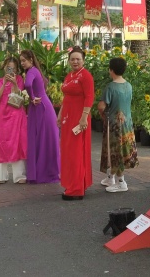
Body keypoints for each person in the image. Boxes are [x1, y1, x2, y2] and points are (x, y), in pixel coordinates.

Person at [58, 47, 94, 201]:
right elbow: (66, 98)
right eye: (72, 59)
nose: (75, 61)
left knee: (76, 152)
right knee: (68, 151)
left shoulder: (86, 76)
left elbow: (89, 97)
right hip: (68, 117)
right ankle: (76, 183)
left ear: (83, 60)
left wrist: (84, 117)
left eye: (78, 59)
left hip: (79, 119)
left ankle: (76, 189)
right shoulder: (69, 75)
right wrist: (59, 114)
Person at [97, 57, 138, 193]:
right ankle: (111, 177)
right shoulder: (129, 85)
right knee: (121, 150)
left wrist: (103, 115)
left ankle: (121, 182)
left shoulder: (110, 87)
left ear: (111, 70)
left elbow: (102, 106)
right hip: (127, 123)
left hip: (114, 125)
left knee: (115, 151)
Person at [19, 50, 60, 184]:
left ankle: (40, 172)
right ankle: (49, 171)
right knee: (46, 139)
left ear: (31, 59)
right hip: (42, 106)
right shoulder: (35, 70)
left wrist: (31, 97)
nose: (22, 63)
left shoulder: (31, 71)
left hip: (39, 107)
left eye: (24, 60)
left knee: (40, 139)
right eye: (21, 61)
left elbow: (28, 84)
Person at [0, 57, 28, 184]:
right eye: (8, 67)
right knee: (2, 143)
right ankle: (1, 176)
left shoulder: (19, 79)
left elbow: (20, 96)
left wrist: (14, 83)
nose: (10, 70)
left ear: (17, 69)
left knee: (17, 142)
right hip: (3, 115)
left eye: (13, 68)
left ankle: (19, 175)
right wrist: (3, 84)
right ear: (5, 68)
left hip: (16, 115)